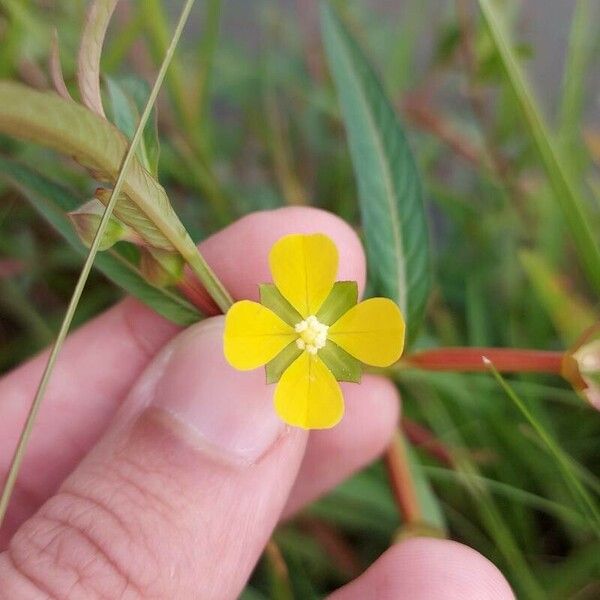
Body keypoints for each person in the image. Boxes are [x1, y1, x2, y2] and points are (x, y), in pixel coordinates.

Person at [0, 208, 514, 599]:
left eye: (317, 327)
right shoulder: (262, 335)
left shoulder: (347, 337)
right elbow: (239, 341)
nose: (313, 330)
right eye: (312, 327)